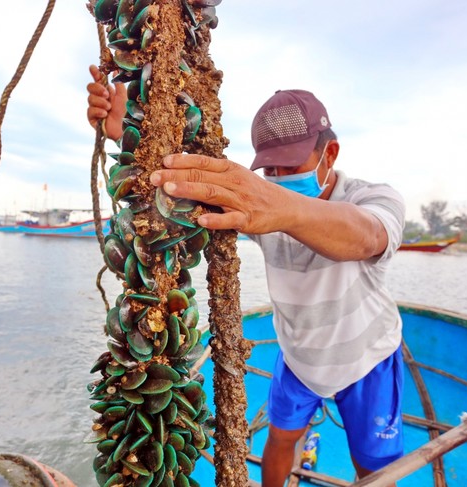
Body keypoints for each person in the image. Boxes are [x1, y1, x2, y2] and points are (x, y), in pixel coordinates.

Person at [86, 66, 406, 486]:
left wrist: (284, 208)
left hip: (367, 358)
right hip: (300, 359)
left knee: (375, 467)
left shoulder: (372, 197)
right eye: (269, 171)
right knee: (279, 440)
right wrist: (127, 136)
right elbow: (178, 196)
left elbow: (367, 236)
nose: (276, 181)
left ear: (330, 155)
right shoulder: (262, 206)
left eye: (290, 166)